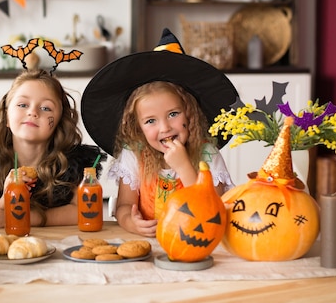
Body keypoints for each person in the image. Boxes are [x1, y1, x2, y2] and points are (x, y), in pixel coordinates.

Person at [81, 29, 237, 238]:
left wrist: (183, 167)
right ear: (138, 127)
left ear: (189, 113)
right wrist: (130, 222)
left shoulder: (206, 154)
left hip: (196, 240)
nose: (164, 128)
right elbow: (125, 206)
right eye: (151, 121)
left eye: (173, 114)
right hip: (149, 247)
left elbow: (213, 212)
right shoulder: (135, 154)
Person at [0, 67, 106, 228]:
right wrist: (6, 197)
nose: (33, 112)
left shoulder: (73, 163)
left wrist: (26, 218)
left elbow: (81, 212)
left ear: (59, 122)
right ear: (6, 117)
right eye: (23, 105)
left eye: (46, 108)